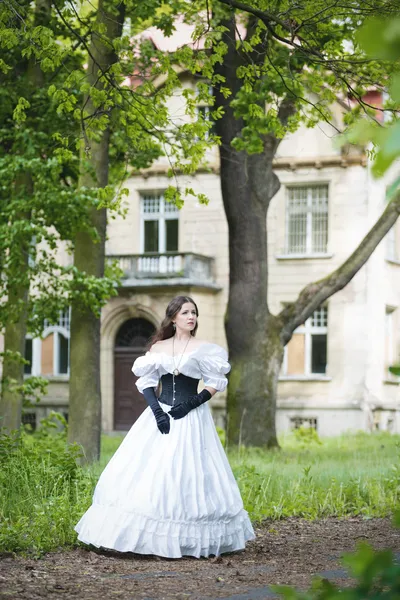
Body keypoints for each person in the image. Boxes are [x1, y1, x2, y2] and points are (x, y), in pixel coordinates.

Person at [75, 295, 255, 558]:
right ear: (173, 318)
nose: (191, 317)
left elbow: (216, 381)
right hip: (160, 416)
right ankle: (142, 539)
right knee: (148, 471)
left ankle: (186, 540)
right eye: (185, 313)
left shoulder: (205, 349)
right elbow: (147, 381)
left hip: (190, 417)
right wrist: (157, 411)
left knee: (187, 472)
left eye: (194, 312)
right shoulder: (158, 348)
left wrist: (193, 402)